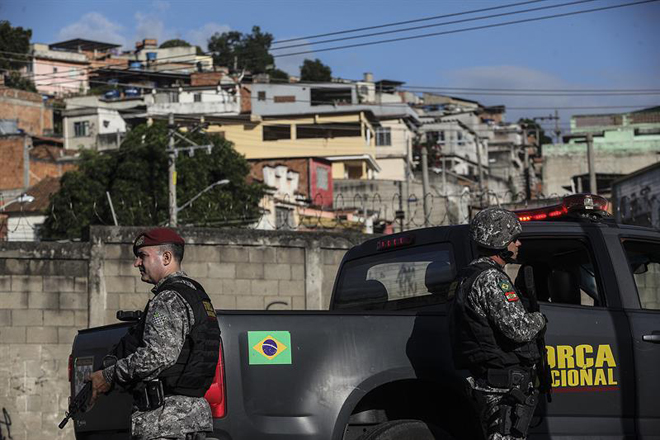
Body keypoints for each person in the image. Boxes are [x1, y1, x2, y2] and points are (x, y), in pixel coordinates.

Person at [88, 227, 220, 440]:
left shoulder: (167, 300)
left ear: (166, 257)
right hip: (192, 421)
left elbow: (157, 356)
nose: (136, 263)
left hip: (164, 423)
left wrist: (108, 374)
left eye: (142, 256)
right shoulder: (197, 296)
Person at [449, 207, 546, 440]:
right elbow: (518, 329)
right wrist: (541, 319)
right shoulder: (490, 278)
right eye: (514, 239)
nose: (518, 244)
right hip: (501, 386)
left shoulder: (467, 275)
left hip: (487, 380)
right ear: (500, 240)